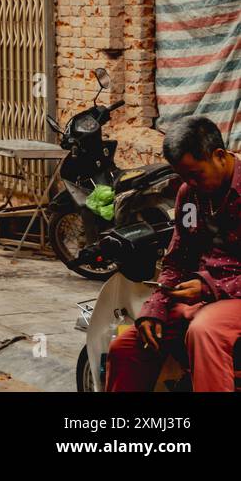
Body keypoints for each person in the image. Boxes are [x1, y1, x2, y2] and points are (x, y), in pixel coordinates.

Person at [106, 115, 241, 392]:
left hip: (230, 298)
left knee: (205, 330)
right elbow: (177, 259)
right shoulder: (188, 195)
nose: (190, 183)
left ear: (219, 155)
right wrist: (155, 308)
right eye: (182, 176)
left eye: (195, 174)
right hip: (203, 299)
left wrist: (209, 287)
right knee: (126, 346)